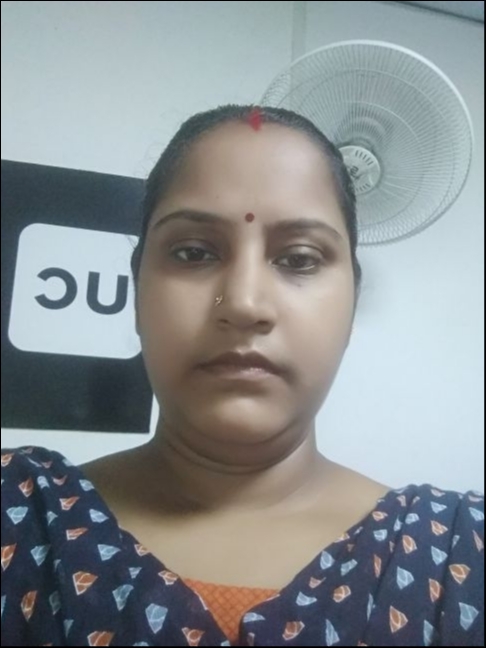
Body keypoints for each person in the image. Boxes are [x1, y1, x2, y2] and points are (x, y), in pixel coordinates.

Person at [1, 105, 483, 647]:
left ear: (351, 305)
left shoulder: (459, 554)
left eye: (299, 259)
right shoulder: (19, 515)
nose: (245, 303)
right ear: (136, 292)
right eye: (193, 252)